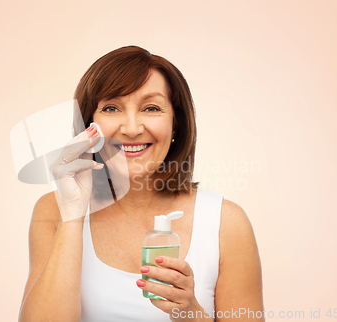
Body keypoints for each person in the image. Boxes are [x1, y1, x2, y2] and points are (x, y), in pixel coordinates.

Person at [18, 45, 264, 322]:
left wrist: (193, 315)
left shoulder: (226, 223)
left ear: (176, 126)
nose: (132, 129)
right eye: (111, 108)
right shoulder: (54, 211)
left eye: (151, 108)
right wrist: (74, 212)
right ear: (89, 125)